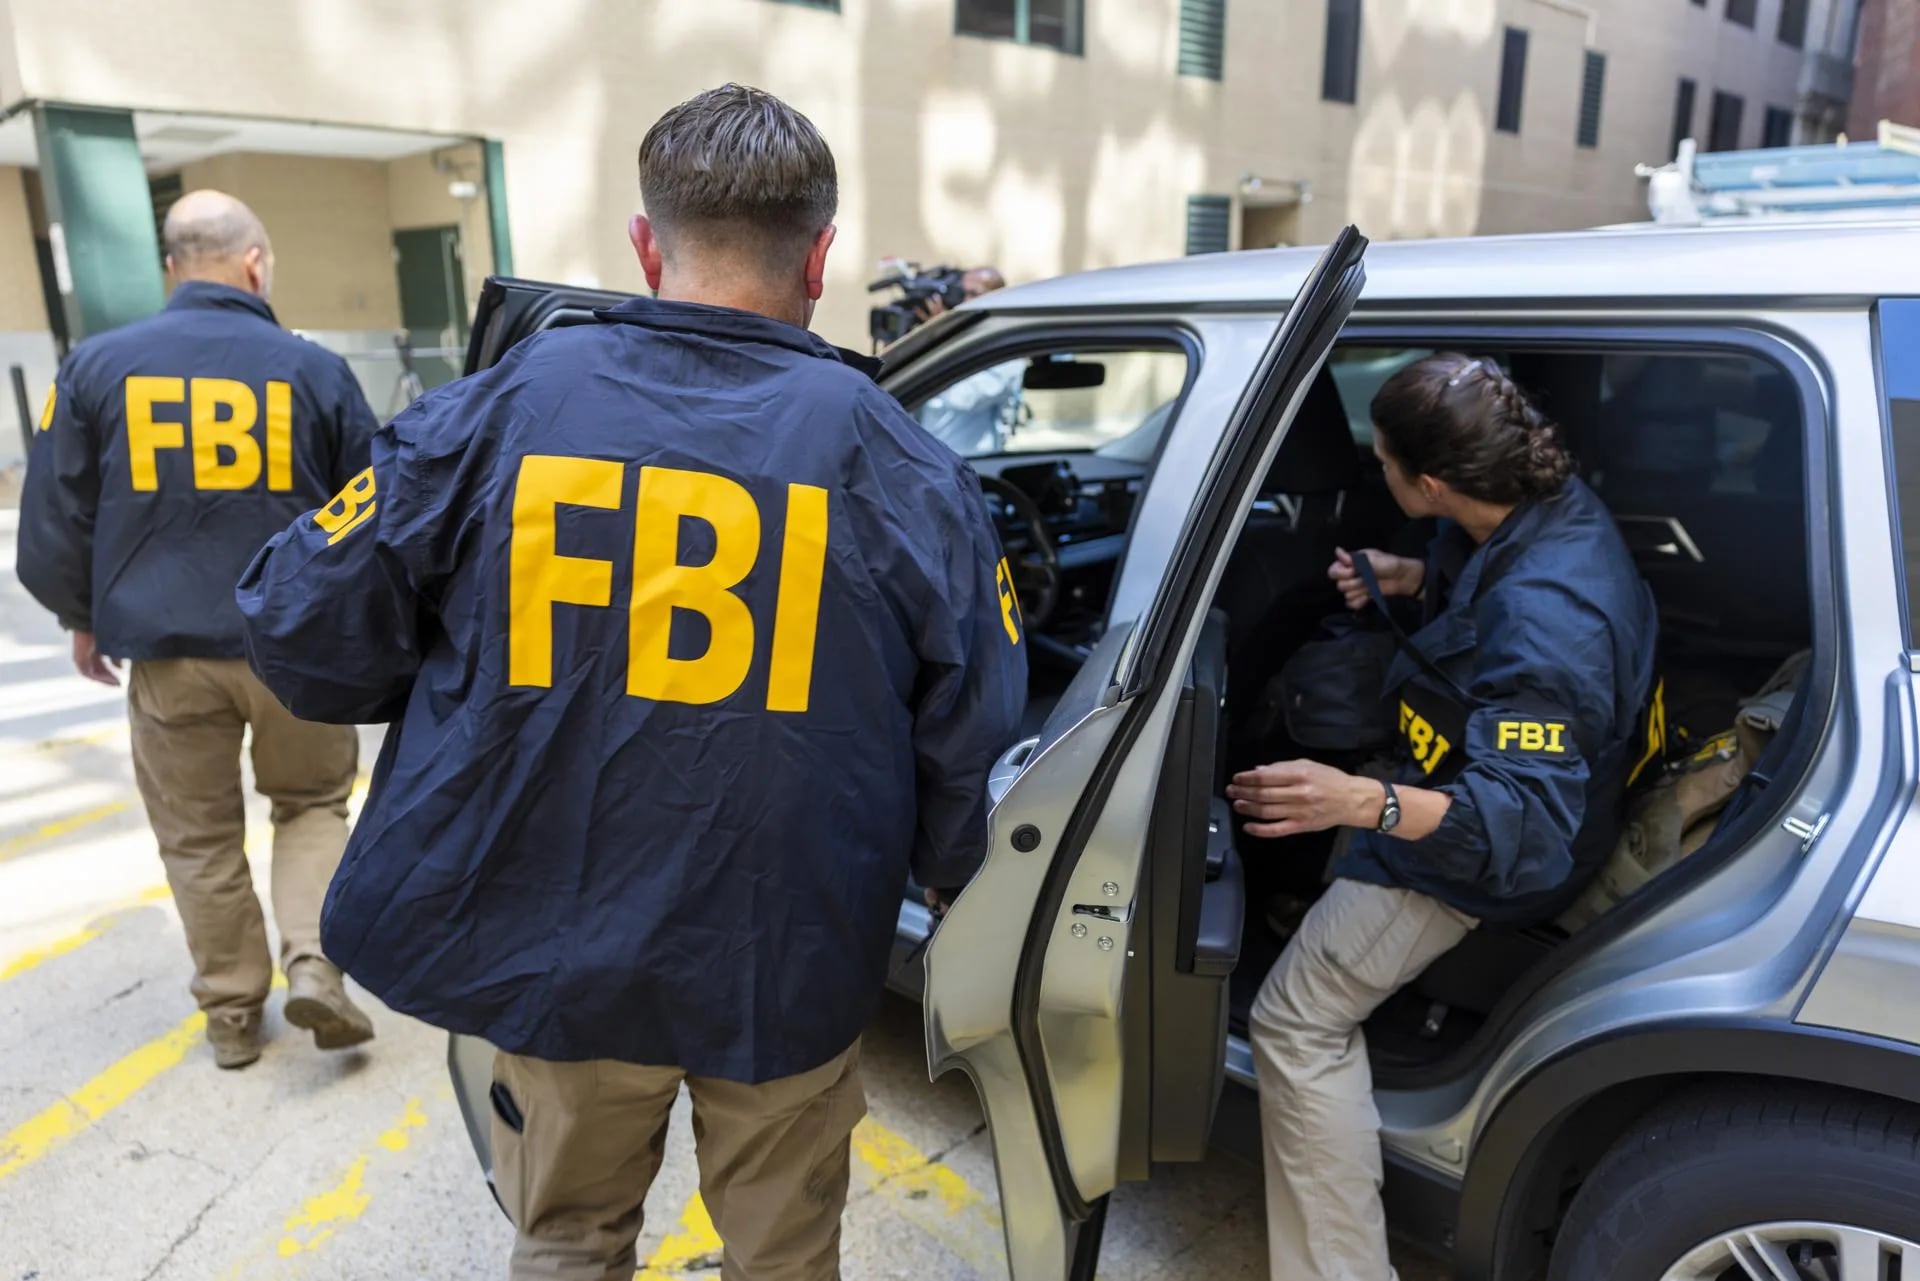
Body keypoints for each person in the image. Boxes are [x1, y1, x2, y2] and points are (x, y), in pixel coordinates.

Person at [234, 84, 1026, 1281]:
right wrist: (953, 887)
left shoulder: (494, 413)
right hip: (788, 961)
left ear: (646, 246)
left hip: (561, 955)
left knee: (565, 1239)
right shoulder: (907, 464)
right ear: (819, 257)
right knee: (785, 1254)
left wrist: (455, 671)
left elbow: (298, 621)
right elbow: (976, 736)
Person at [1226, 355, 1657, 1281]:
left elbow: (1516, 826)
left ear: (1427, 482)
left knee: (1296, 1024)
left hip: (1502, 849)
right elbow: (1494, 591)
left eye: (1379, 462)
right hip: (1482, 775)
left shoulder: (1550, 616)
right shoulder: (1541, 508)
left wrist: (1356, 801)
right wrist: (1413, 574)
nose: (1373, 473)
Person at [14, 190, 379, 1070]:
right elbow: (371, 509)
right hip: (296, 650)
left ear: (171, 267)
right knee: (311, 805)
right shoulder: (314, 371)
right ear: (254, 263)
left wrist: (82, 616)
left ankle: (229, 1011)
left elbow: (57, 514)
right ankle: (314, 962)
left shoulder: (96, 367)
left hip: (168, 655)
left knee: (199, 835)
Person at [911, 266, 1014, 453]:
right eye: (961, 292)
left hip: (973, 465)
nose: (964, 301)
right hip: (929, 459)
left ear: (998, 298)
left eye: (973, 294)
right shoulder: (949, 338)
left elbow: (963, 398)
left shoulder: (1007, 348)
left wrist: (941, 338)